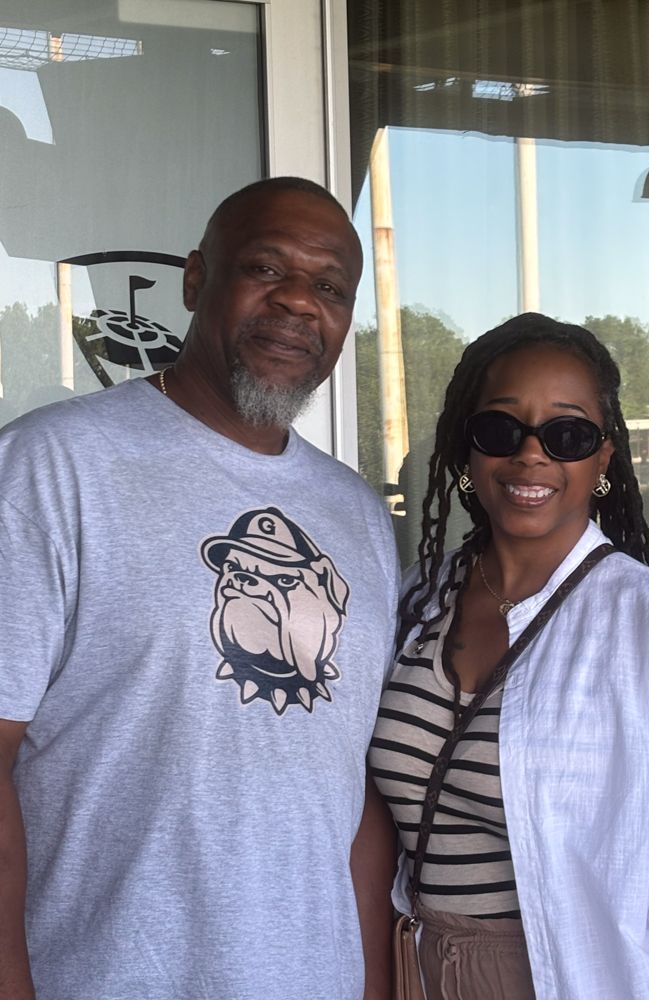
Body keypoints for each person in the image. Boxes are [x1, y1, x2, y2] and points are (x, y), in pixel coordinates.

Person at [0, 177, 399, 1000]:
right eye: (265, 268)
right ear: (194, 280)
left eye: (330, 287)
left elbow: (352, 791)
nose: (298, 303)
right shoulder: (53, 467)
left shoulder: (357, 516)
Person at [370, 313, 649, 998]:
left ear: (603, 458)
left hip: (570, 978)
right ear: (468, 447)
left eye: (567, 434)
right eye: (501, 429)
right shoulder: (418, 603)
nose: (531, 455)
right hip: (414, 967)